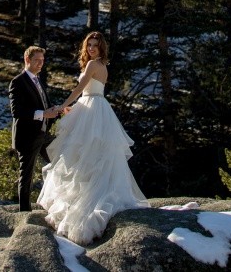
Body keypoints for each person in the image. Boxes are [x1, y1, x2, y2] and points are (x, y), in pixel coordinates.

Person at [38, 31, 149, 245]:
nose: (91, 48)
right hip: (97, 107)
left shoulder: (92, 65)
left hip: (91, 106)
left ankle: (84, 203)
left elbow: (80, 89)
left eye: (95, 45)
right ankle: (89, 196)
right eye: (89, 45)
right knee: (92, 156)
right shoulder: (102, 66)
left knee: (82, 155)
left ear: (101, 48)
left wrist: (62, 106)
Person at [9, 45, 61, 212]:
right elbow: (17, 111)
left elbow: (45, 105)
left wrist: (59, 110)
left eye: (42, 60)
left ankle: (60, 202)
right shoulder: (17, 82)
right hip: (26, 137)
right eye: (37, 60)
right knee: (27, 176)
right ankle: (24, 213)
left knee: (62, 160)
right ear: (27, 60)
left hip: (43, 134)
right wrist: (43, 114)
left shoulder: (38, 81)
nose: (40, 64)